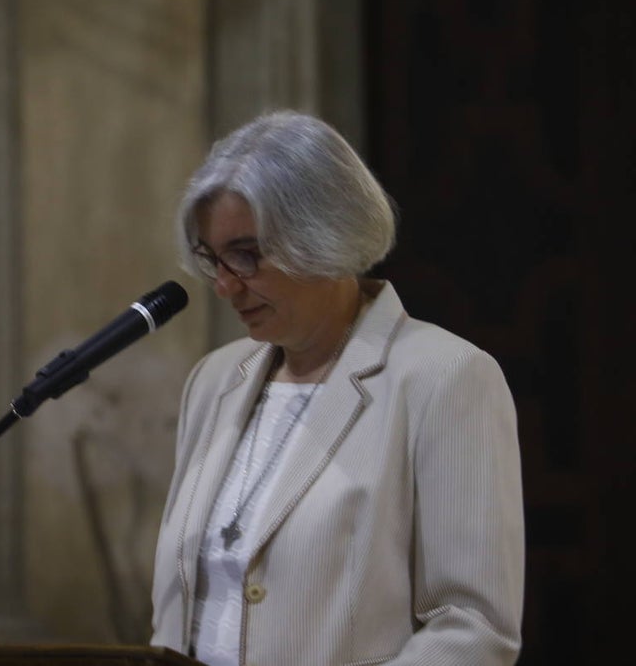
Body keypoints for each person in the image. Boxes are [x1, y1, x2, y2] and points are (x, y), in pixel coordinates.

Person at [150, 111, 524, 665]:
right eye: (212, 258)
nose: (225, 285)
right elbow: (179, 611)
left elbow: (473, 628)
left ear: (323, 233)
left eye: (247, 255)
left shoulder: (446, 378)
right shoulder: (213, 381)